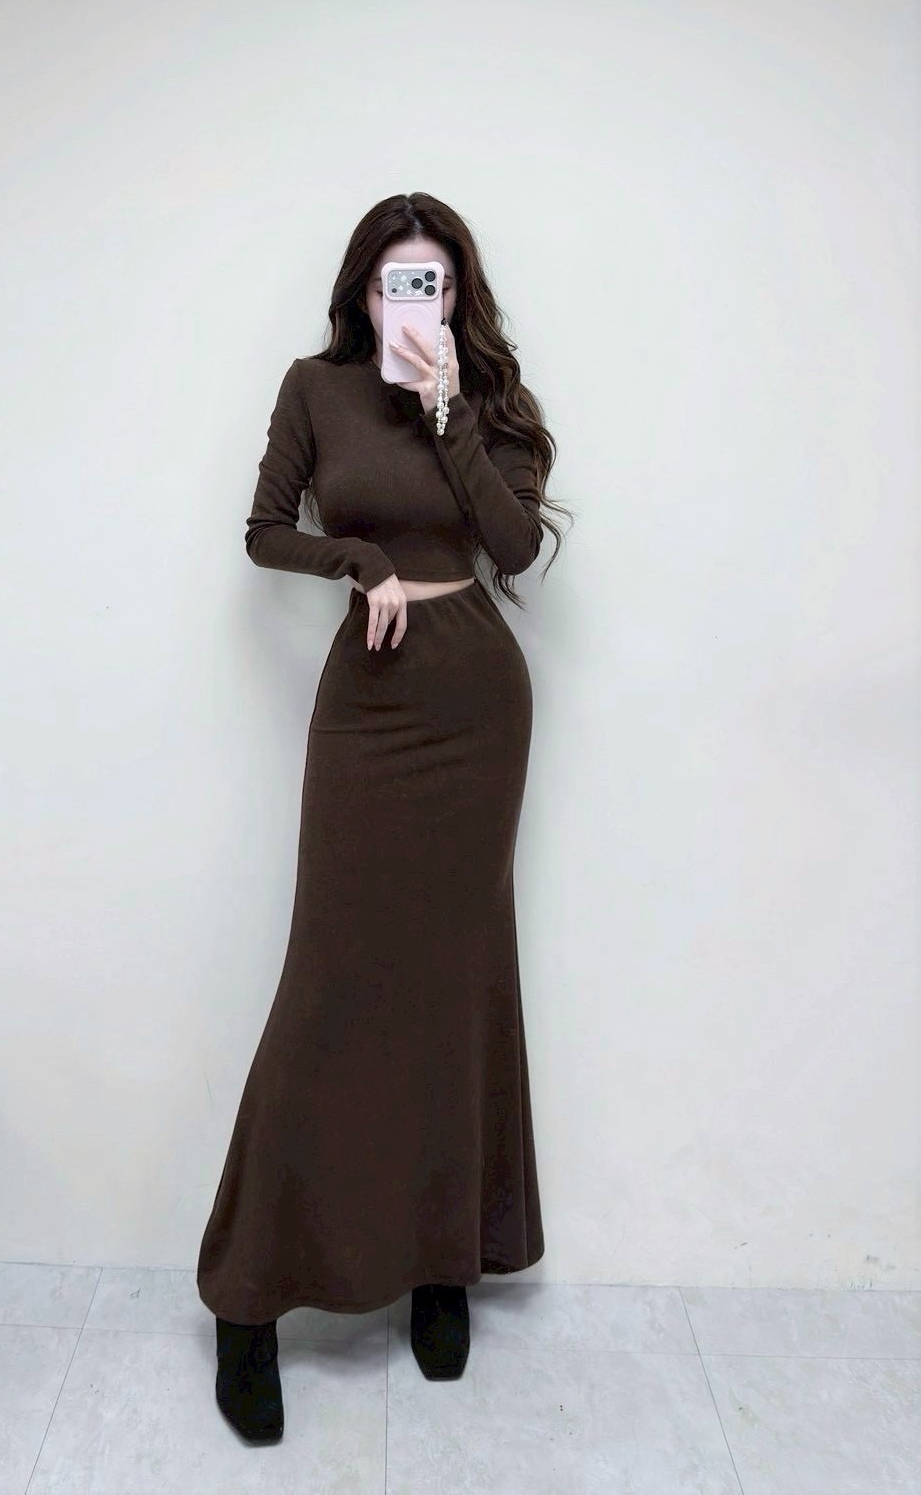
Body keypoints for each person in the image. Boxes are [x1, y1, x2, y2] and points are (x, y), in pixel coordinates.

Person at [196, 192, 570, 1443]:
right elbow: (262, 531)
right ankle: (248, 1297)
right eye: (397, 281)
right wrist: (356, 563)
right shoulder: (314, 388)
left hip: (475, 704)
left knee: (456, 981)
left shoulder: (491, 401)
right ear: (361, 290)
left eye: (437, 283)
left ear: (460, 295)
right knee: (332, 980)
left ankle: (440, 1263)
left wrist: (452, 412)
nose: (418, 302)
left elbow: (512, 546)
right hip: (367, 701)